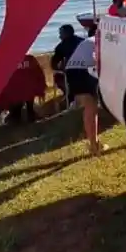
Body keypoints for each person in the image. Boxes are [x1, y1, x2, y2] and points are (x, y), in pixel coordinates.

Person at [65, 26, 107, 155]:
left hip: (72, 69)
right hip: (85, 69)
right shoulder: (104, 39)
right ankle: (94, 145)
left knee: (90, 106)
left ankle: (93, 143)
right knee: (91, 107)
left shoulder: (89, 40)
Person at [51, 24, 83, 106]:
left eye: (61, 33)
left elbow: (54, 63)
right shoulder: (83, 41)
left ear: (66, 34)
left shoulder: (62, 46)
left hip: (73, 72)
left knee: (58, 77)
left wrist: (60, 69)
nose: (59, 36)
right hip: (87, 70)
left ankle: (70, 98)